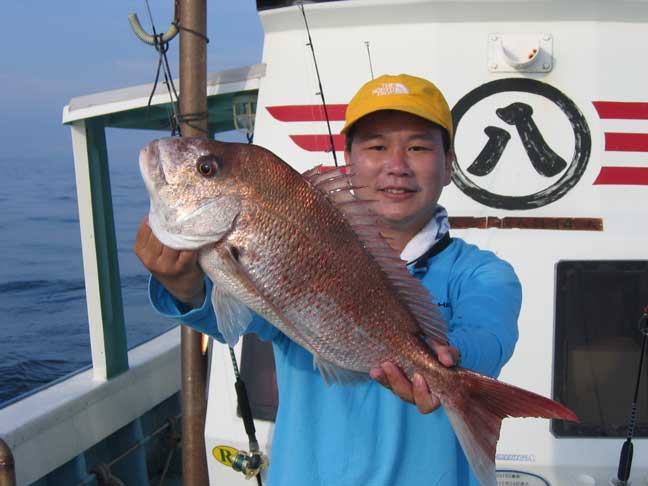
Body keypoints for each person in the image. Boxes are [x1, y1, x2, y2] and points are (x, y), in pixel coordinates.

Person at [135, 74, 522, 485]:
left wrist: (445, 365)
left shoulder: (483, 273)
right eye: (376, 146)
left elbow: (488, 340)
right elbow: (232, 316)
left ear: (448, 165)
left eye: (418, 147)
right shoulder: (295, 240)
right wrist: (185, 288)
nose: (396, 166)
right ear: (349, 160)